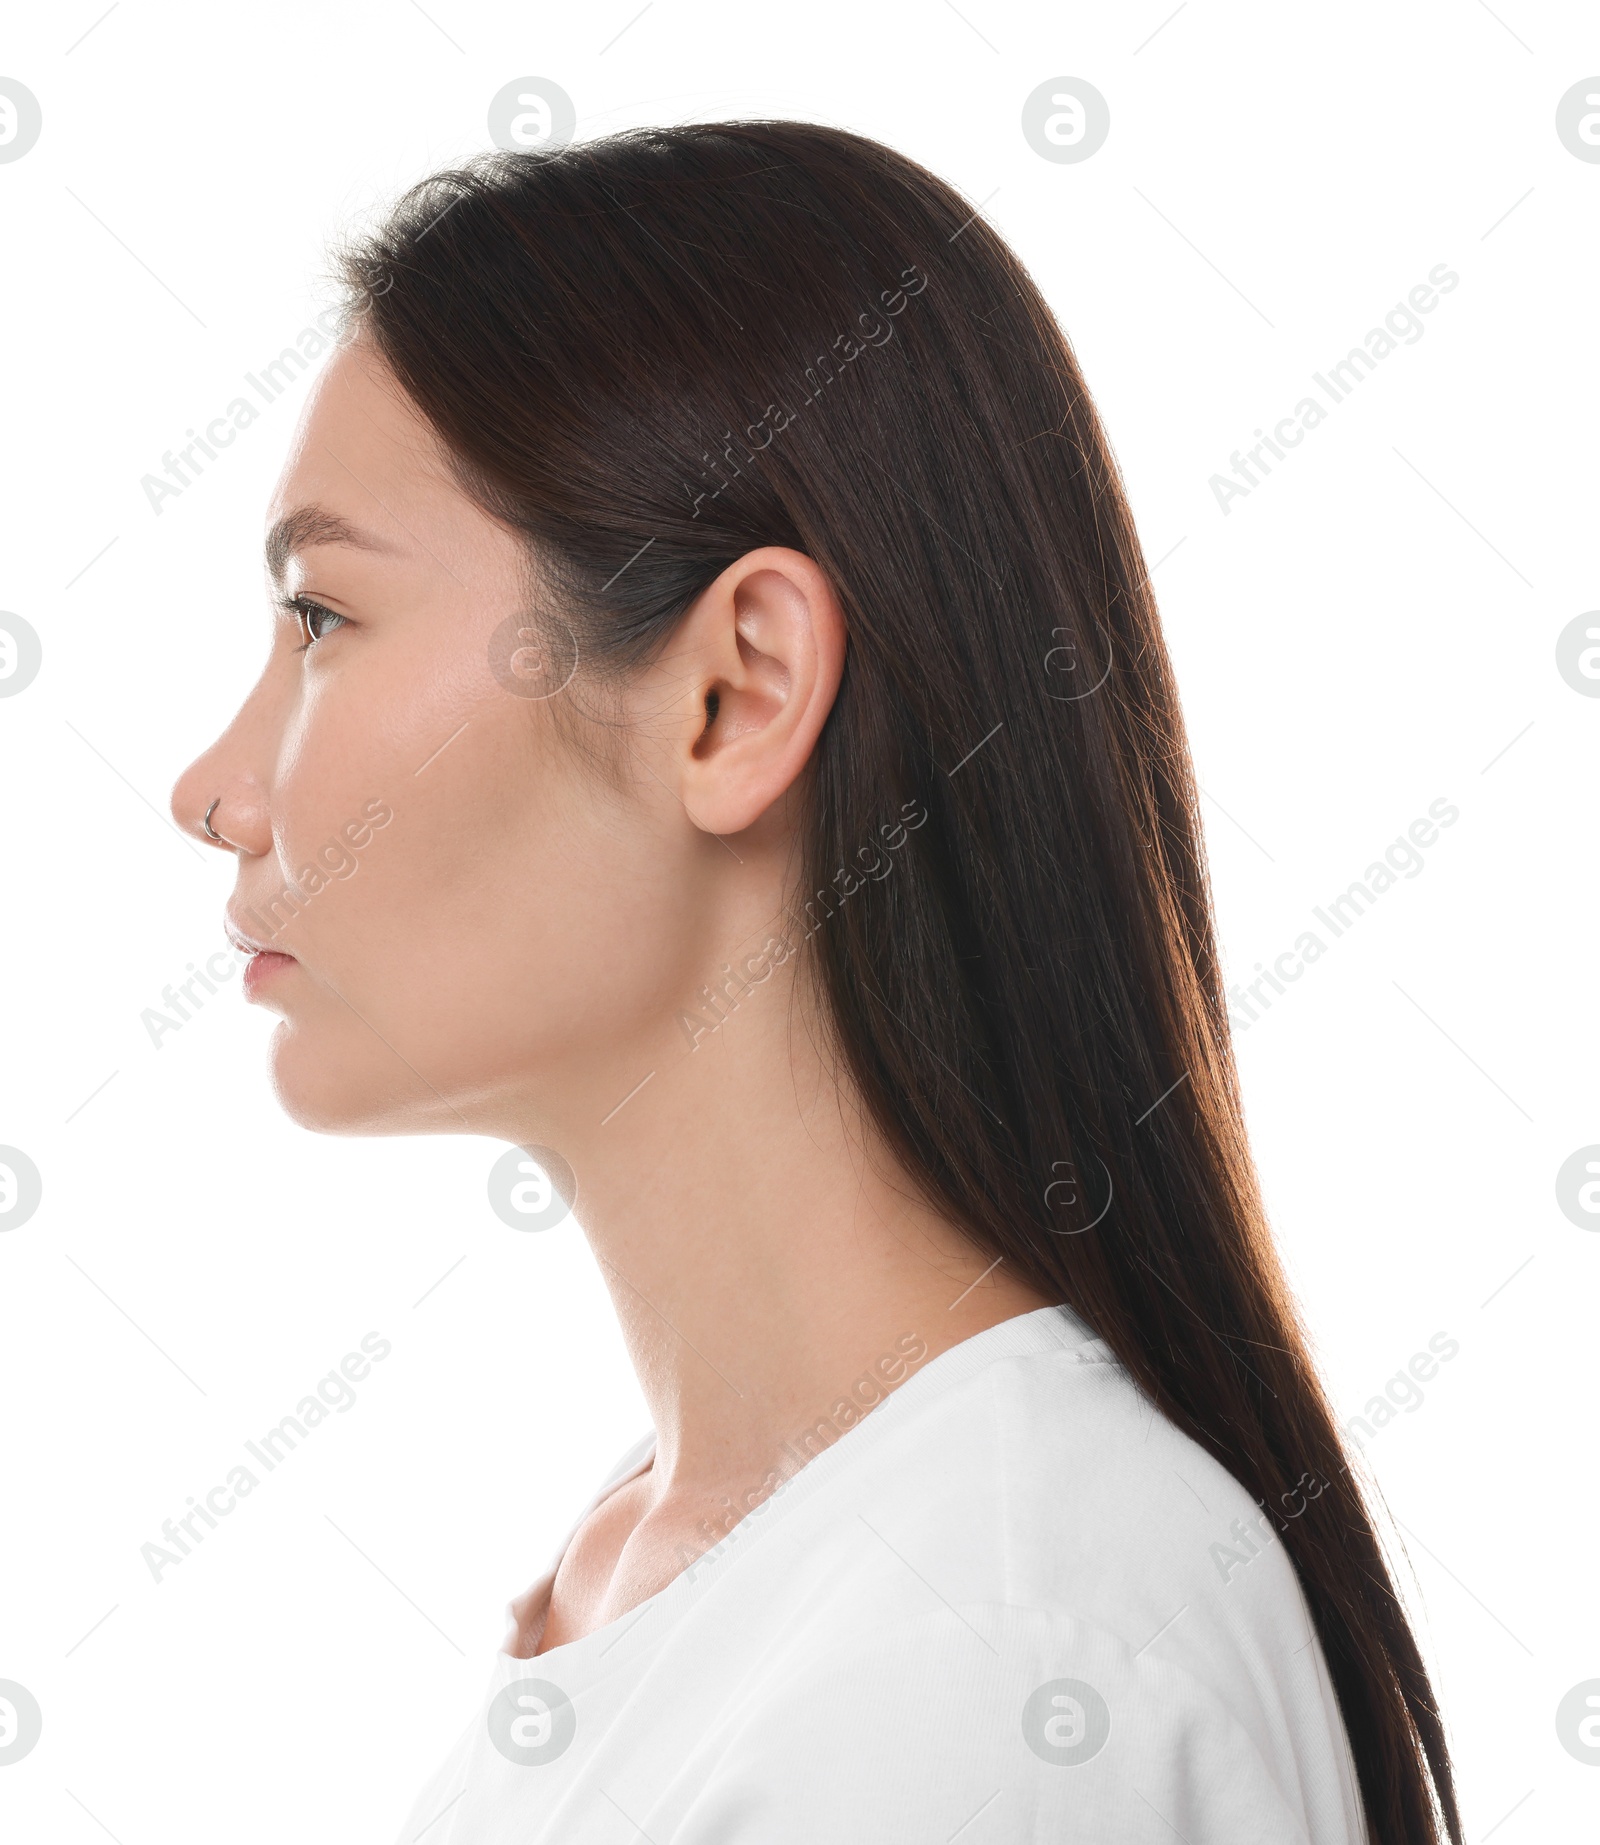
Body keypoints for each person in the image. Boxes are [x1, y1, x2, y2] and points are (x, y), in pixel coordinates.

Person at [173, 121, 1459, 1843]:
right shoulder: (682, 1565)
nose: (214, 790)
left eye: (323, 618)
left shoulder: (985, 1671)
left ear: (736, 692)